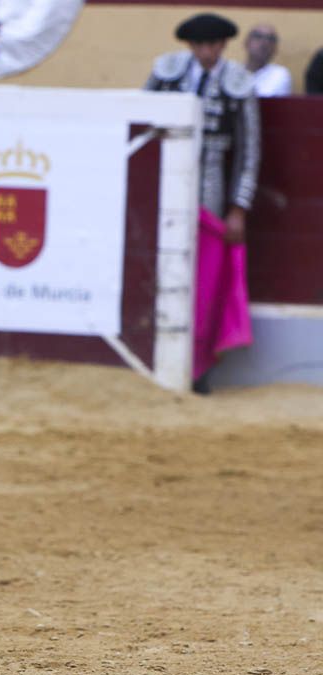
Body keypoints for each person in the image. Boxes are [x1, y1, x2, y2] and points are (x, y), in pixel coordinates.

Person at [144, 13, 259, 394]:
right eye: (200, 45)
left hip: (210, 193)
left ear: (224, 45)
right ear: (190, 46)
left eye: (214, 45)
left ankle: (199, 370)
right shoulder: (167, 73)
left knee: (206, 286)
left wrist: (238, 207)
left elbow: (249, 150)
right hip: (161, 188)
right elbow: (140, 120)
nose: (207, 52)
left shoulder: (238, 84)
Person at [243, 25, 291, 97]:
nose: (264, 42)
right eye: (258, 36)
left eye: (271, 39)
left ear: (275, 48)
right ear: (246, 43)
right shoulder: (232, 72)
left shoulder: (280, 75)